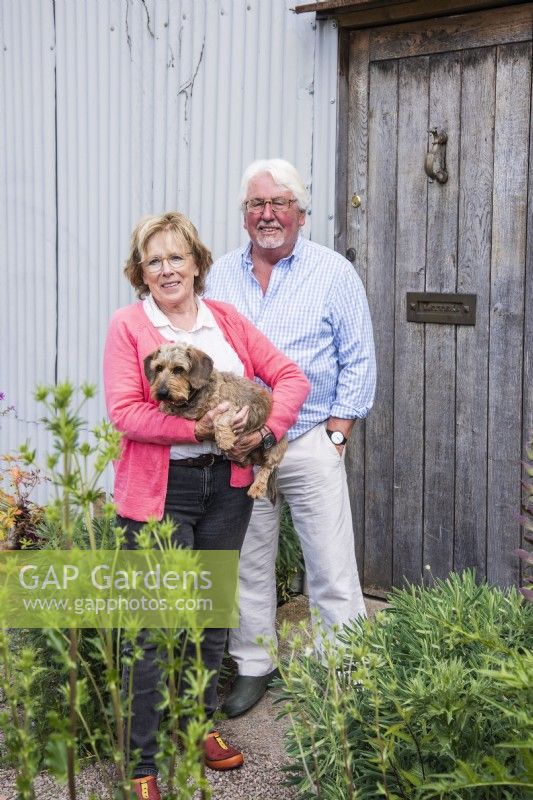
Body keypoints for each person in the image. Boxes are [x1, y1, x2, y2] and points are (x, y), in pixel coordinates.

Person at [103, 211, 309, 799]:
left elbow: (289, 376)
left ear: (197, 263)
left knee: (212, 619)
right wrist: (200, 429)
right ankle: (142, 763)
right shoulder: (129, 327)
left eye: (177, 257)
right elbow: (125, 412)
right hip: (161, 493)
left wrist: (267, 435)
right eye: (154, 260)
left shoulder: (226, 322)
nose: (168, 269)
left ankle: (199, 728)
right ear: (141, 272)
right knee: (151, 629)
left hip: (229, 489)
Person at [205, 158, 376, 718]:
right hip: (241, 449)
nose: (268, 214)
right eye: (257, 204)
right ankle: (255, 665)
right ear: (244, 215)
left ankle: (344, 671)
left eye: (280, 203)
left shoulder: (332, 273)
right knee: (249, 562)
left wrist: (337, 433)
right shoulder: (221, 277)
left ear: (301, 213)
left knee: (329, 563)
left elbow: (358, 359)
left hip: (306, 442)